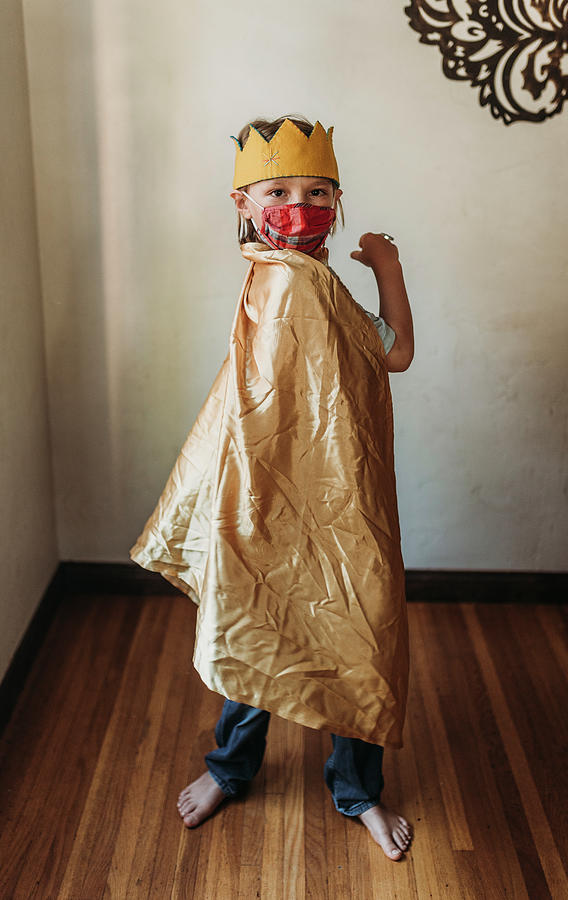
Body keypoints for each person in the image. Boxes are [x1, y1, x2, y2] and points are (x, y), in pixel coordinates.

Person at [130, 115, 415, 861]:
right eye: (280, 189)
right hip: (263, 493)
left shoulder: (319, 281)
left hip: (340, 501)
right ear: (242, 204)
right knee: (258, 624)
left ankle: (356, 790)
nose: (302, 203)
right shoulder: (279, 280)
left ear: (339, 197)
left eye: (318, 190)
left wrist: (383, 264)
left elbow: (391, 355)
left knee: (352, 630)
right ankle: (232, 768)